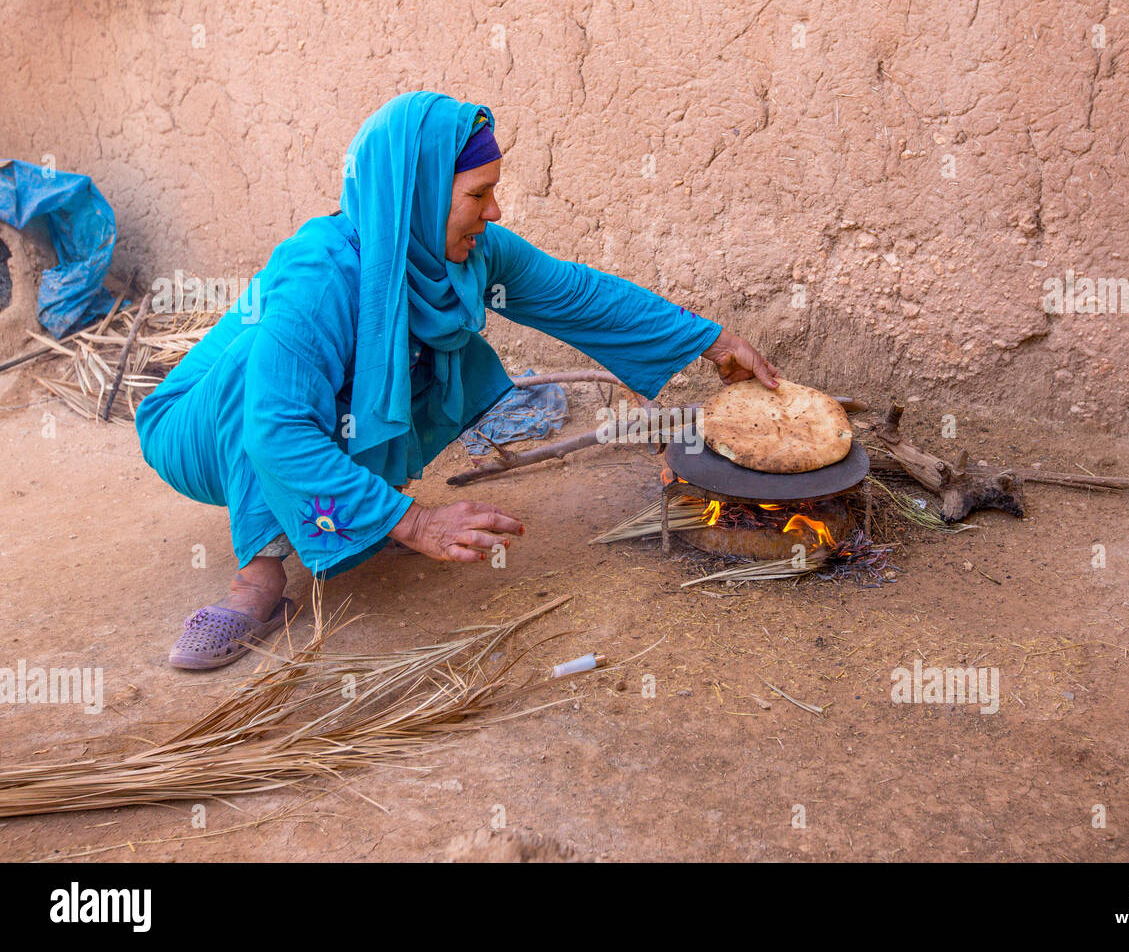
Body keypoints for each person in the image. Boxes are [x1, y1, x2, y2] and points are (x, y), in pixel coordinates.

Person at [135, 90, 781, 670]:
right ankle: (258, 580)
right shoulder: (320, 275)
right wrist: (417, 525)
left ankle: (357, 508)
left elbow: (577, 294)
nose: (493, 210)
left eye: (493, 191)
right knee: (267, 382)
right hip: (191, 427)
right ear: (415, 192)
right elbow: (274, 430)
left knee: (414, 353)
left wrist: (714, 341)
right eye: (477, 195)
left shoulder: (467, 255)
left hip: (269, 415)